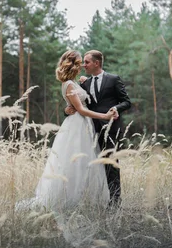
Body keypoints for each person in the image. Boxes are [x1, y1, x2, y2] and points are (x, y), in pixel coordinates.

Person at [16, 50, 116, 212]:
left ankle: (85, 199)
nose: (83, 65)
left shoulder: (74, 83)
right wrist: (105, 116)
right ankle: (69, 198)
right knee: (74, 163)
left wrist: (85, 82)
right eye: (79, 63)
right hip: (77, 126)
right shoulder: (69, 85)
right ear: (73, 65)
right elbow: (81, 110)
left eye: (84, 63)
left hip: (83, 125)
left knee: (84, 162)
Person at [65, 50, 131, 208]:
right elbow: (77, 104)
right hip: (89, 130)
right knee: (91, 165)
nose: (83, 65)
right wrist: (66, 111)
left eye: (86, 62)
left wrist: (116, 108)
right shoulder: (84, 84)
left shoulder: (113, 79)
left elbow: (127, 101)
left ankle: (114, 202)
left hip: (110, 129)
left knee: (111, 164)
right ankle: (91, 200)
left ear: (96, 63)